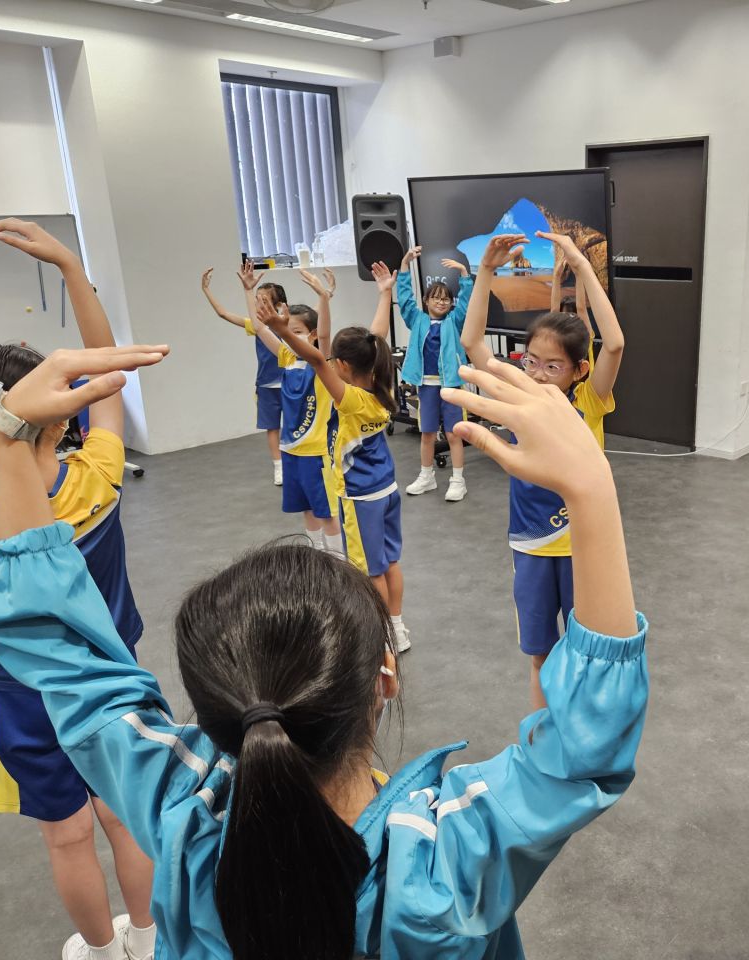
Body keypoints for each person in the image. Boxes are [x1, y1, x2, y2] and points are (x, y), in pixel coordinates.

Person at [0, 341, 648, 960]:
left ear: (217, 707)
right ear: (385, 678)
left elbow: (70, 663)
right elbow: (584, 753)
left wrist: (7, 438)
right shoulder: (442, 864)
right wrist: (592, 484)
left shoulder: (181, 813)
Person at [0, 219, 156, 960]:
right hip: (112, 677)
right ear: (66, 406)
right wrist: (71, 269)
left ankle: (99, 951)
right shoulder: (99, 472)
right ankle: (147, 941)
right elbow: (108, 370)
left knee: (66, 836)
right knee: (124, 816)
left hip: (19, 691)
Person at [460, 231, 625, 708]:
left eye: (553, 367)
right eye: (531, 361)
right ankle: (539, 735)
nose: (536, 373)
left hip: (583, 547)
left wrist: (582, 265)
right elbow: (473, 342)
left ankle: (579, 730)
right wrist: (485, 271)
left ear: (578, 371)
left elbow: (614, 343)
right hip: (531, 544)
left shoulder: (590, 400)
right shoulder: (520, 396)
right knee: (540, 654)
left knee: (587, 652)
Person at [256, 267, 409, 650]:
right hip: (387, 489)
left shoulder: (351, 399)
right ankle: (397, 627)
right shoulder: (383, 385)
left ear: (343, 366)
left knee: (370, 572)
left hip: (361, 497)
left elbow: (316, 360)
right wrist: (384, 294)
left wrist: (282, 330)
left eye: (335, 358)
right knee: (390, 563)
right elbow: (376, 336)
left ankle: (382, 637)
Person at [228, 268, 346, 552]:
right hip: (291, 451)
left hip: (317, 454)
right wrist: (248, 291)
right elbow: (261, 328)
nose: (290, 338)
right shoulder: (286, 358)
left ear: (312, 336)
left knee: (326, 512)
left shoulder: (321, 364)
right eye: (287, 333)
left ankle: (337, 558)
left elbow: (326, 335)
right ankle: (317, 552)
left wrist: (323, 297)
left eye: (297, 333)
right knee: (307, 508)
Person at [200, 263, 298, 486]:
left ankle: (295, 461)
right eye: (256, 299)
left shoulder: (289, 324)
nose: (257, 303)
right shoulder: (256, 325)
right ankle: (279, 466)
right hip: (266, 385)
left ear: (279, 305)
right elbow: (223, 313)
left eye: (263, 300)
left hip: (291, 381)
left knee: (294, 423)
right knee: (272, 426)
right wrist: (206, 289)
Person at [396, 246, 474, 501]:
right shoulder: (417, 320)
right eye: (436, 298)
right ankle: (426, 476)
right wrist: (405, 265)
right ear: (426, 301)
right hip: (426, 386)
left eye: (446, 299)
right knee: (427, 433)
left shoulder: (454, 321)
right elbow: (405, 299)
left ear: (450, 303)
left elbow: (466, 303)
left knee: (454, 434)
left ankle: (458, 480)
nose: (441, 302)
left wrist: (464, 274)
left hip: (451, 387)